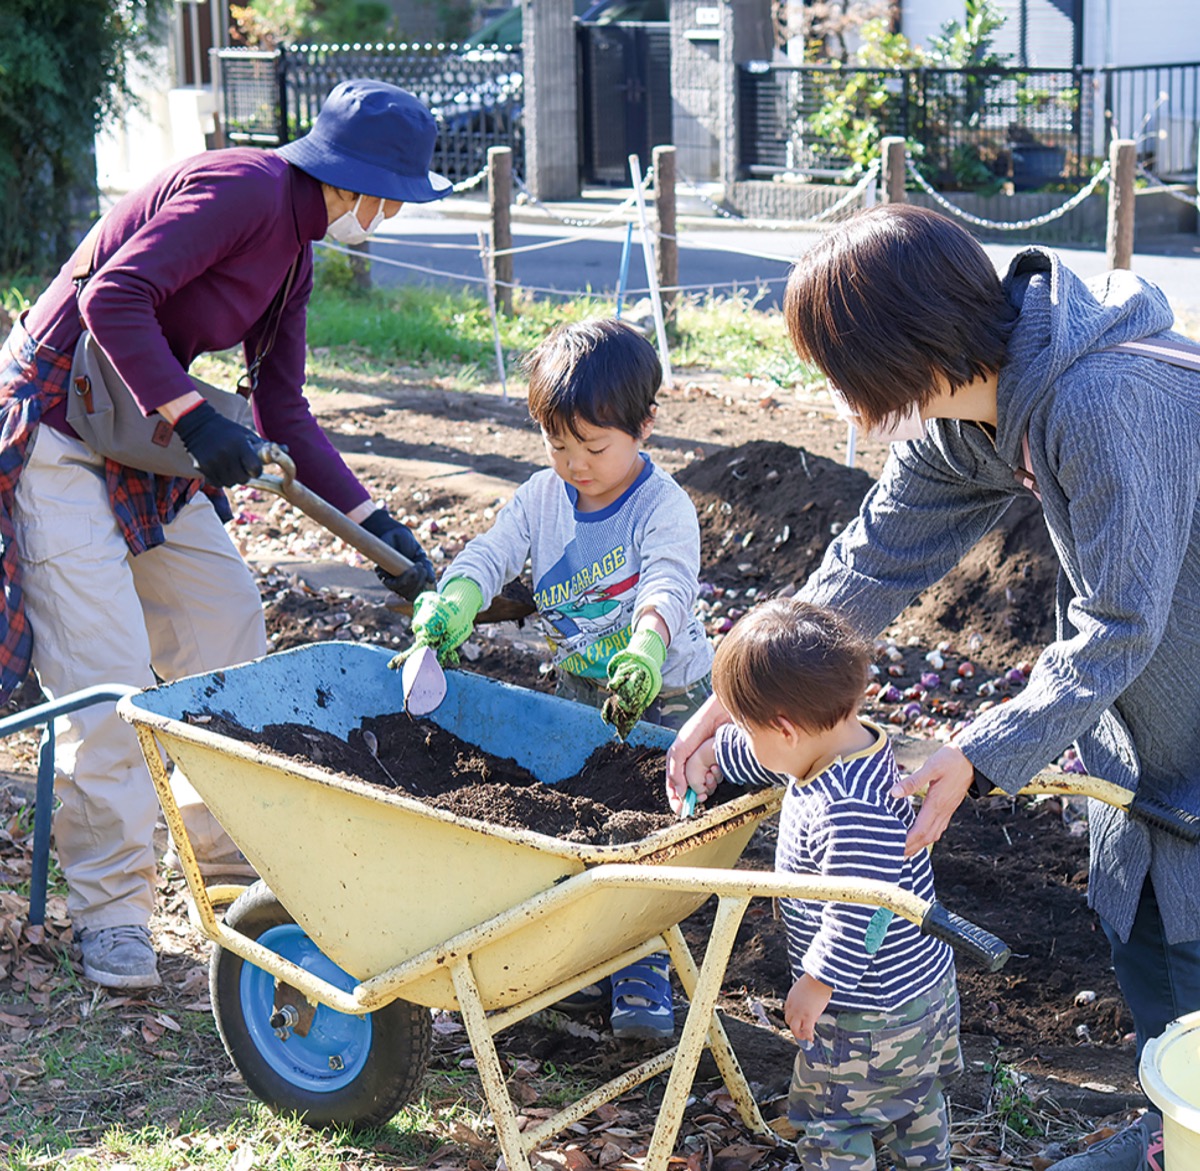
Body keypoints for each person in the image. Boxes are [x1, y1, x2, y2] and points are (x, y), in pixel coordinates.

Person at [667, 203, 1200, 1167]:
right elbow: (871, 563)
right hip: (1157, 731)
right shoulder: (980, 413)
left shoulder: (1101, 399)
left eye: (840, 365)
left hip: (1183, 701)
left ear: (893, 351)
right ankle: (1174, 1123)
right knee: (1154, 936)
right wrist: (738, 687)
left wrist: (977, 752)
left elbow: (1122, 622)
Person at [0, 79, 447, 990]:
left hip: (142, 429)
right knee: (109, 671)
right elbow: (114, 296)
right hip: (59, 418)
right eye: (394, 194)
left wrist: (380, 528)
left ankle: (236, 878)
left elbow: (282, 406)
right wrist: (195, 422)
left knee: (227, 627)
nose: (394, 213)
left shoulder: (299, 253)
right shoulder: (243, 191)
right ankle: (115, 912)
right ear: (355, 178)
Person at [405, 317, 713, 1039]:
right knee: (580, 818)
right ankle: (581, 958)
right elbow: (491, 552)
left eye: (594, 446)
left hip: (665, 693)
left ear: (645, 426)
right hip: (582, 691)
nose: (574, 462)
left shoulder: (663, 507)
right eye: (557, 442)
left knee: (650, 832)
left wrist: (643, 648)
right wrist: (457, 598)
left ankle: (640, 963)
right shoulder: (543, 497)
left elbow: (667, 584)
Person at [670, 597, 961, 1170]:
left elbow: (863, 913)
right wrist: (718, 752)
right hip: (923, 998)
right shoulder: (855, 741)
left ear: (783, 728)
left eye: (747, 732)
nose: (749, 744)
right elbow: (782, 757)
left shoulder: (847, 811)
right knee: (915, 1108)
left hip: (865, 1014)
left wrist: (817, 983)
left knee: (832, 1125)